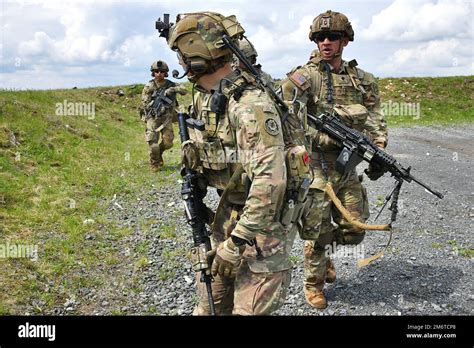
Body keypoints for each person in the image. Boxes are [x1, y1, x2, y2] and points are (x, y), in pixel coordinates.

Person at [165, 12, 309, 315]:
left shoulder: (249, 106)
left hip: (264, 228)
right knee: (209, 306)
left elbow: (270, 184)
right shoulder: (205, 98)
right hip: (229, 215)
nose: (178, 62)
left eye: (180, 54)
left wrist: (236, 244)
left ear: (195, 52)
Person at [281, 10, 388, 309]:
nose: (325, 42)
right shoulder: (304, 77)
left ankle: (325, 253)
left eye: (333, 37)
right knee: (316, 230)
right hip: (314, 165)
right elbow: (281, 115)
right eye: (320, 37)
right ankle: (313, 283)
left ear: (346, 41)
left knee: (354, 229)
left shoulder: (362, 80)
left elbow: (375, 117)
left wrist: (378, 148)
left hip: (348, 165)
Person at [140, 60, 187, 171]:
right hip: (153, 117)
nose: (159, 73)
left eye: (162, 71)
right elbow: (144, 103)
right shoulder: (149, 86)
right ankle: (154, 162)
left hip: (167, 117)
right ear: (153, 73)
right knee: (153, 144)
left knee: (168, 143)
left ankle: (159, 153)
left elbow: (184, 90)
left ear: (165, 72)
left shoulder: (171, 84)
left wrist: (172, 90)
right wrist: (154, 104)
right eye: (156, 71)